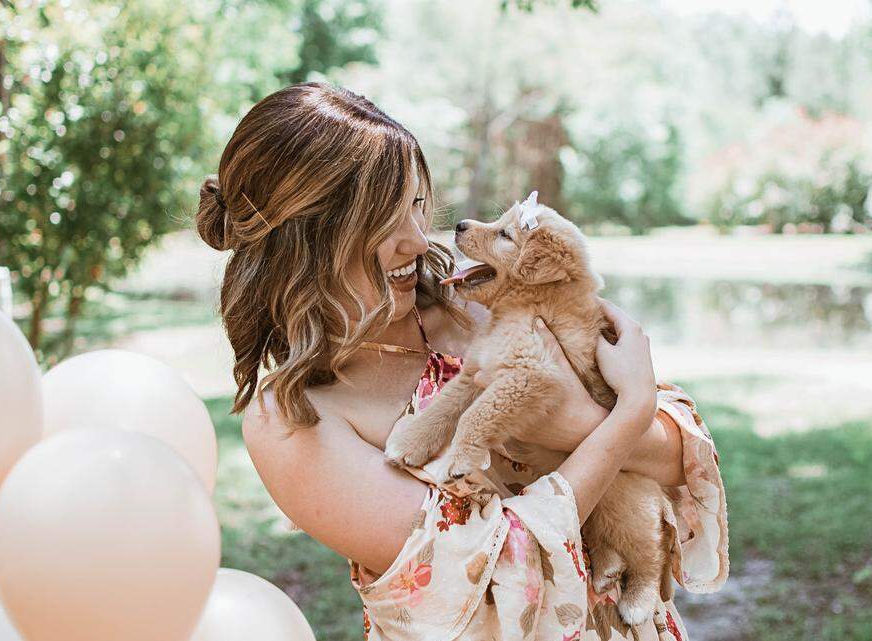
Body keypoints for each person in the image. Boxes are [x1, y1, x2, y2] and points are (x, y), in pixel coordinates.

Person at [195, 82, 728, 641]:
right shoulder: (294, 419)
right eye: (382, 221)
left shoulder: (480, 298)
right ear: (305, 239)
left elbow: (680, 462)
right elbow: (501, 581)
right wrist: (626, 416)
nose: (417, 242)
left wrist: (599, 421)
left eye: (415, 208)